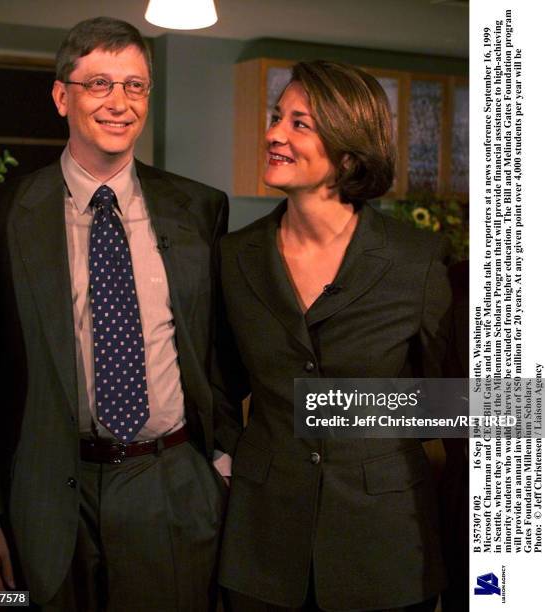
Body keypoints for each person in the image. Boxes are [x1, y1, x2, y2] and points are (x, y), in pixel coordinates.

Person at [0, 16, 239, 611]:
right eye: (100, 84)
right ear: (62, 96)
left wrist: (220, 460)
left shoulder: (199, 209)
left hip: (169, 486)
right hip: (43, 491)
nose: (120, 103)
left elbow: (220, 345)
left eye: (135, 85)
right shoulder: (0, 217)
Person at [217, 61, 452, 611]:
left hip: (387, 548)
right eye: (277, 118)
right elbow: (219, 389)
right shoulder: (234, 256)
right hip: (262, 548)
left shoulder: (417, 260)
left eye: (301, 123)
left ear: (349, 153)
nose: (274, 133)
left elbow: (464, 403)